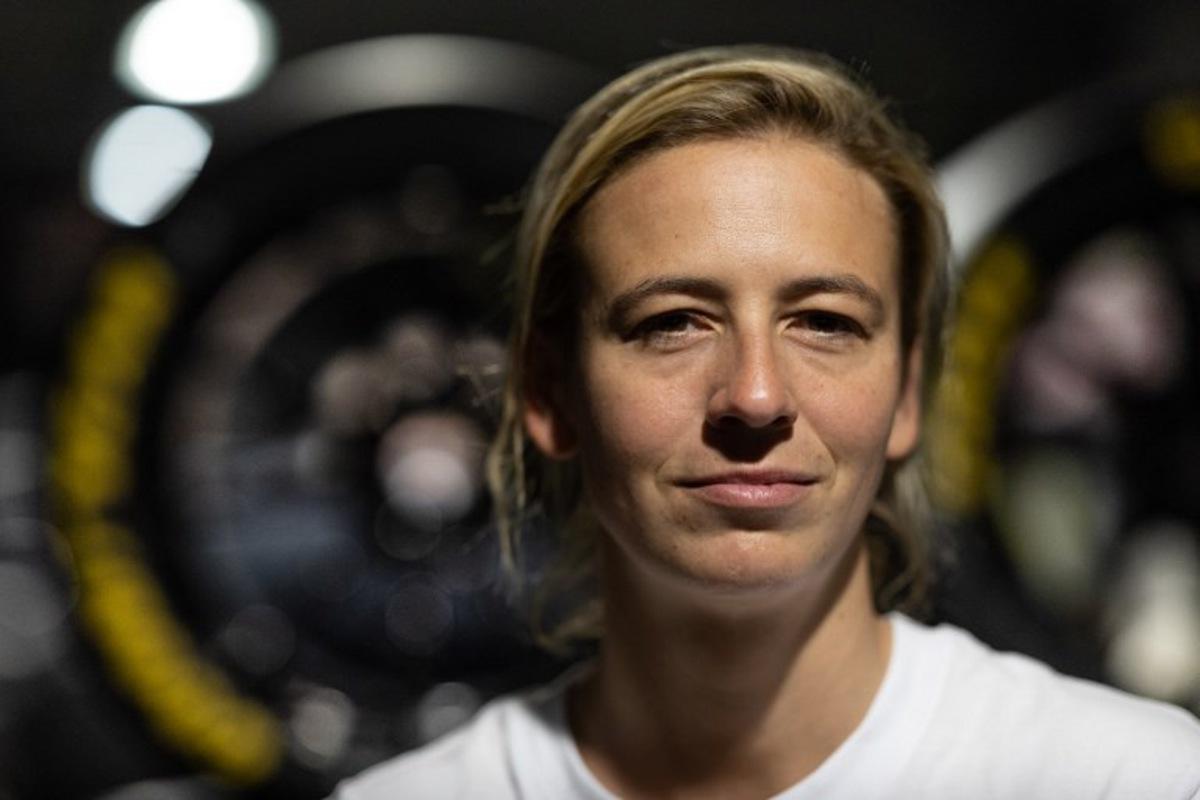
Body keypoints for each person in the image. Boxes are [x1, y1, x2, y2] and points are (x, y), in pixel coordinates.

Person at [336, 46, 1200, 799]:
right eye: (673, 323)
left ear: (906, 395)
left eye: (824, 323)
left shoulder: (1134, 782)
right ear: (550, 395)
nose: (755, 397)